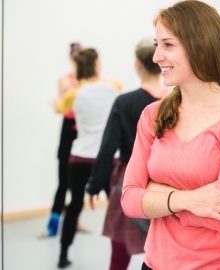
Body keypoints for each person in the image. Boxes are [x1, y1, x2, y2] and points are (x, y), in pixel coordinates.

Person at [121, 1, 220, 270]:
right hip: (155, 264)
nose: (156, 56)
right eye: (157, 44)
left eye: (168, 45)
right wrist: (190, 200)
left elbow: (219, 216)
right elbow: (129, 199)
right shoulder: (152, 115)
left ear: (200, 45)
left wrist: (154, 193)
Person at [85, 39, 167, 270]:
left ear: (138, 64)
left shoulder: (124, 102)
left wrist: (94, 185)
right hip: (165, 185)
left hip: (129, 183)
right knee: (163, 252)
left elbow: (108, 147)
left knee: (119, 257)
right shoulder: (173, 102)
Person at [57, 48, 120, 268]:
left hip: (80, 157)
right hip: (107, 158)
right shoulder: (113, 88)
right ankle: (119, 258)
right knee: (116, 209)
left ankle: (63, 254)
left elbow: (60, 108)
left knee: (74, 205)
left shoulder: (74, 93)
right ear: (95, 65)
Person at [43, 42, 81, 238]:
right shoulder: (65, 81)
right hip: (68, 130)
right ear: (70, 57)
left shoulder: (88, 81)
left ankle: (75, 221)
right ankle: (53, 223)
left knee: (78, 183)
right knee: (63, 182)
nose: (77, 58)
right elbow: (60, 105)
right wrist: (59, 103)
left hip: (83, 131)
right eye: (74, 55)